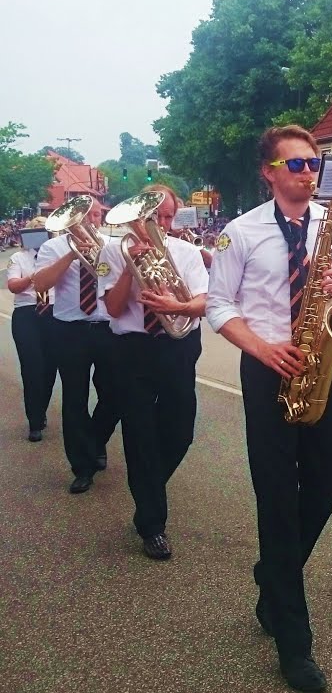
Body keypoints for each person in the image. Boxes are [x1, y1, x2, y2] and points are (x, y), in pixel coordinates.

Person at [206, 125, 332, 693]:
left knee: (323, 491)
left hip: (325, 364)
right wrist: (262, 348)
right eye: (296, 164)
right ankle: (294, 642)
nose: (308, 172)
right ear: (270, 171)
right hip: (268, 366)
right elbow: (218, 305)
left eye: (313, 163)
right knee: (277, 501)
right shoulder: (240, 232)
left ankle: (271, 580)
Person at [98, 187, 208, 559]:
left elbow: (205, 301)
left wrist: (177, 304)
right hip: (133, 349)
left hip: (178, 345)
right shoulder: (111, 252)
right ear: (133, 219)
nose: (160, 225)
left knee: (181, 432)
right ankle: (152, 524)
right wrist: (131, 268)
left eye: (166, 217)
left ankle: (147, 489)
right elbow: (112, 308)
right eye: (153, 218)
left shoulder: (188, 252)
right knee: (140, 435)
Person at [33, 199, 120, 493]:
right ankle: (82, 466)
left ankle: (94, 440)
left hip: (108, 327)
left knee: (115, 394)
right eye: (83, 216)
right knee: (74, 399)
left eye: (94, 215)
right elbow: (41, 284)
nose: (89, 221)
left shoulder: (110, 242)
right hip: (70, 330)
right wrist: (70, 256)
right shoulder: (52, 247)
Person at [6, 218, 58, 441]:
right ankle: (34, 421)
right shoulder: (18, 257)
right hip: (27, 313)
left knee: (50, 368)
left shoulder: (56, 257)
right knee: (31, 368)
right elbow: (13, 286)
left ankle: (41, 410)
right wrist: (34, 276)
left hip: (53, 311)